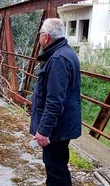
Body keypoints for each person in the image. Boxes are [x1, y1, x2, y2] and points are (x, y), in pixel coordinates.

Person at [30, 18, 81, 186]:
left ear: (46, 37)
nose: (39, 39)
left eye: (40, 35)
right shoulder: (65, 52)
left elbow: (54, 101)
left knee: (56, 170)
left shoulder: (58, 59)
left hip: (56, 128)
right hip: (61, 124)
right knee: (55, 166)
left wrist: (44, 131)